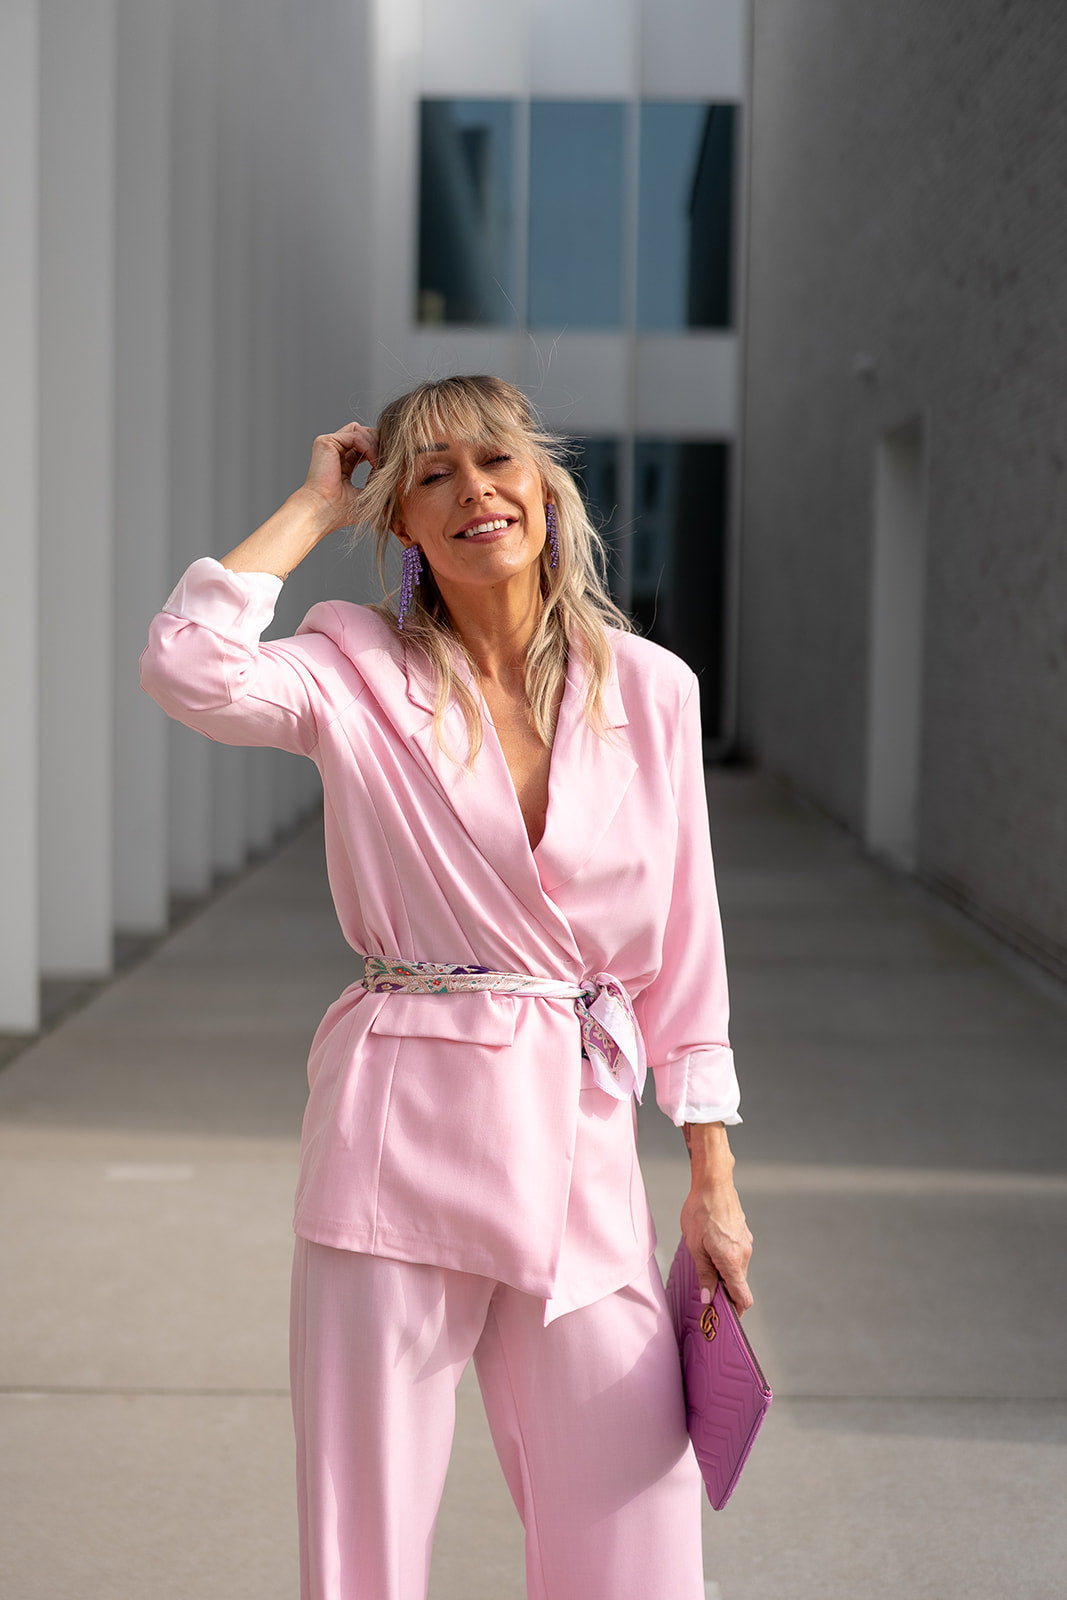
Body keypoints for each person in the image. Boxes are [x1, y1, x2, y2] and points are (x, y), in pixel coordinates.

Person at [140, 374, 753, 1600]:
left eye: (496, 460)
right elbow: (187, 665)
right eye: (432, 475)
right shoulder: (352, 670)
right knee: (362, 1536)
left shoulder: (651, 689)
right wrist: (316, 507)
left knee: (635, 1510)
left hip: (578, 1145)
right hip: (395, 1145)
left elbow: (686, 953)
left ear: (544, 488)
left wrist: (711, 1180)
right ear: (404, 524)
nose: (475, 490)